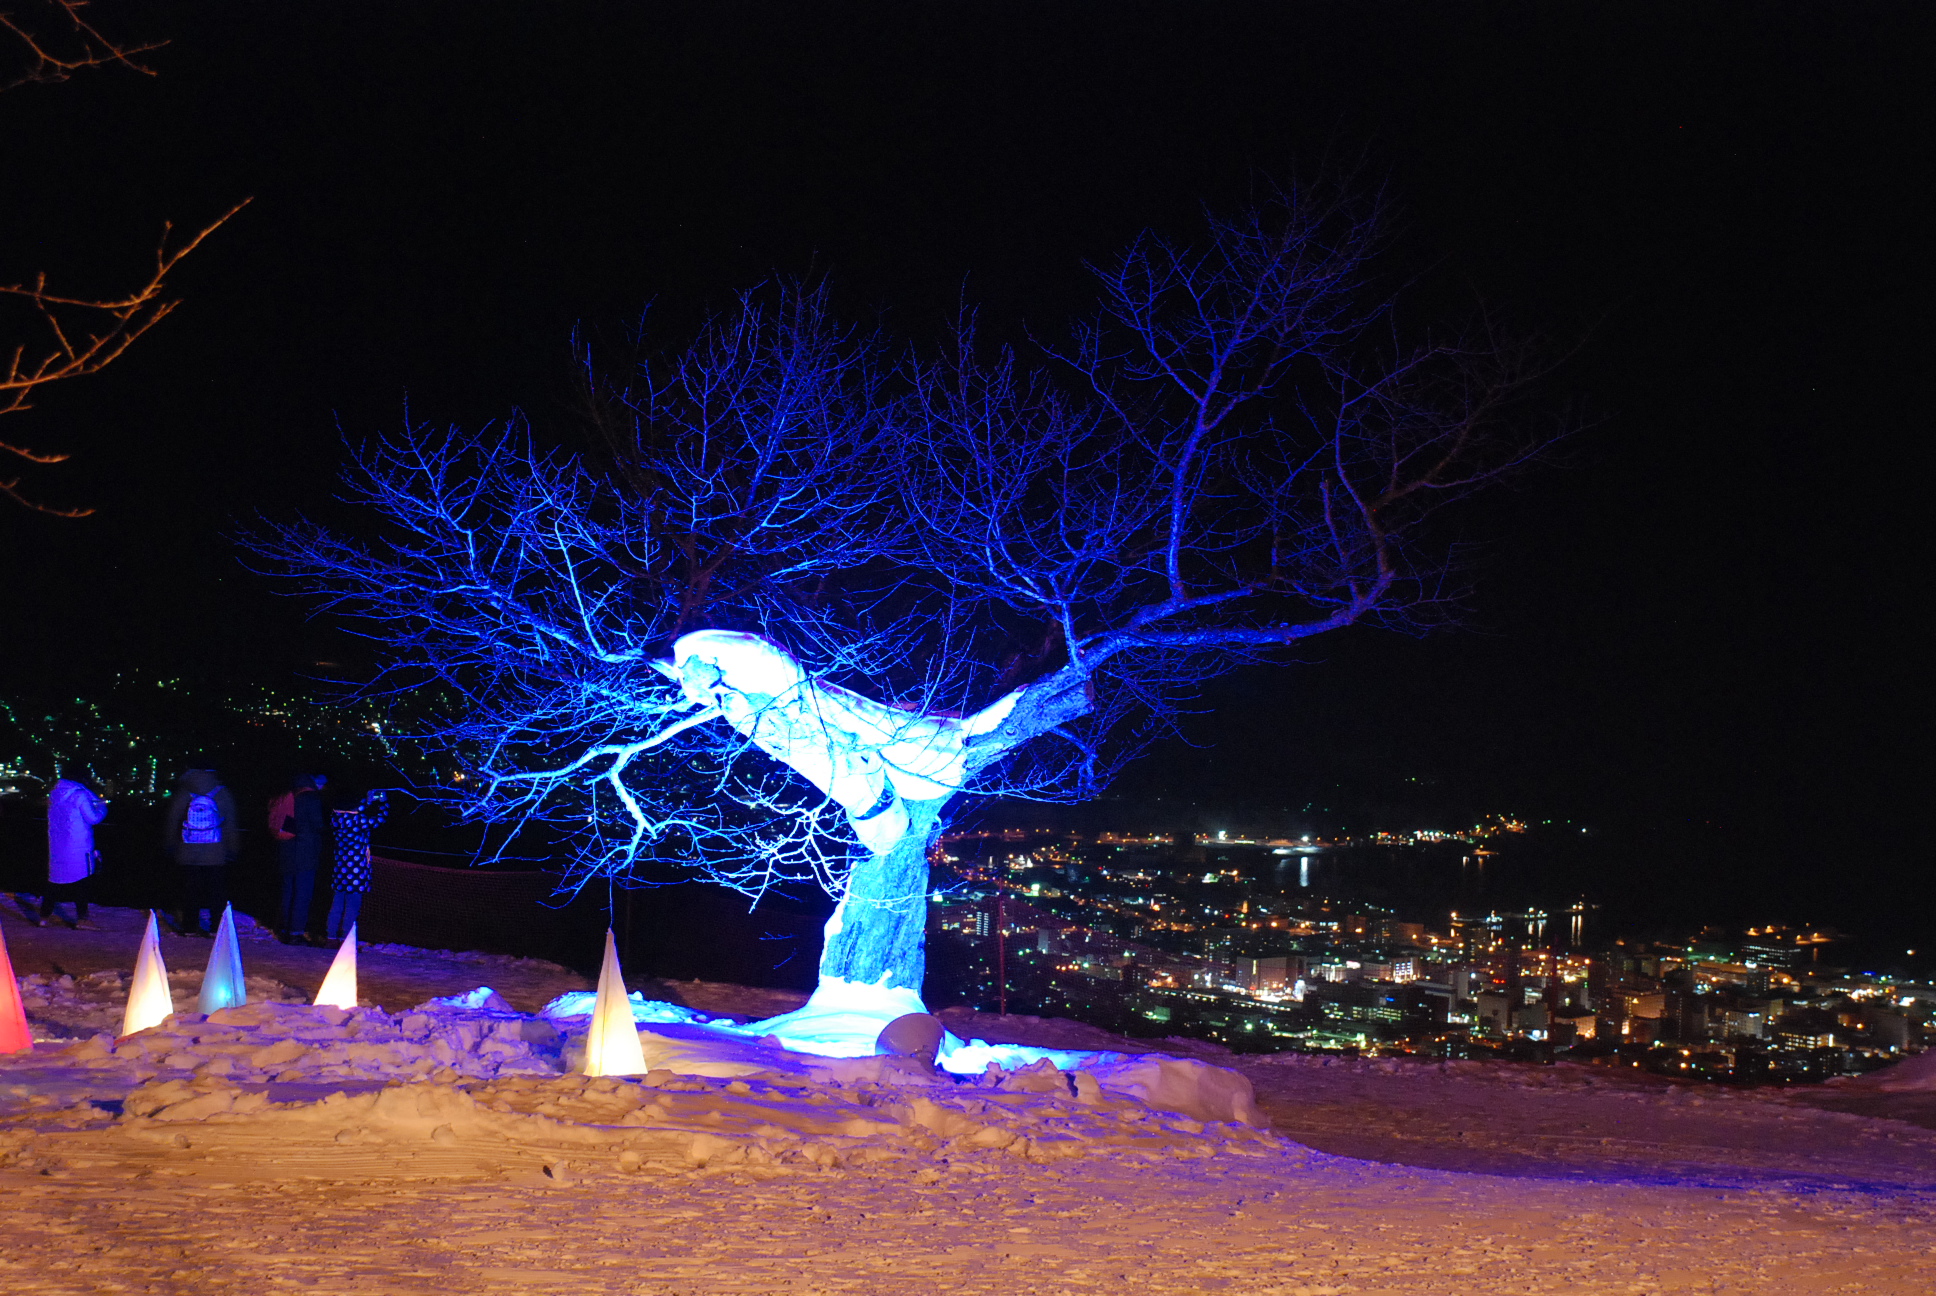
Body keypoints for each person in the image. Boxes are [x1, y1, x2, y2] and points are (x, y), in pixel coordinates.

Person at [162, 767, 238, 937]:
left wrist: (170, 845)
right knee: (216, 891)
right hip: (215, 851)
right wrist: (233, 848)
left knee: (190, 890)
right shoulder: (222, 793)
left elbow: (172, 821)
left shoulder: (184, 792)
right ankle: (216, 927)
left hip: (188, 850)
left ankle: (189, 926)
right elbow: (230, 823)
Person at [41, 772, 107, 929]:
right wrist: (102, 807)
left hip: (57, 846)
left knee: (55, 881)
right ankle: (82, 919)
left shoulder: (54, 794)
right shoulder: (80, 795)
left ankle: (43, 916)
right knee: (82, 881)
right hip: (78, 846)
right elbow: (94, 818)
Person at [326, 788, 388, 940]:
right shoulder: (360, 821)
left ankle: (331, 937)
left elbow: (351, 810)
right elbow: (381, 818)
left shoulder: (335, 819)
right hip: (356, 870)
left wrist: (366, 802)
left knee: (337, 905)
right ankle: (346, 938)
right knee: (353, 907)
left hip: (340, 869)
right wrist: (383, 803)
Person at [275, 773, 329, 944]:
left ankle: (283, 928)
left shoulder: (287, 796)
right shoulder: (311, 799)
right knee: (303, 893)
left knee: (288, 891)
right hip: (306, 852)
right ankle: (296, 932)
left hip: (286, 849)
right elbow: (317, 824)